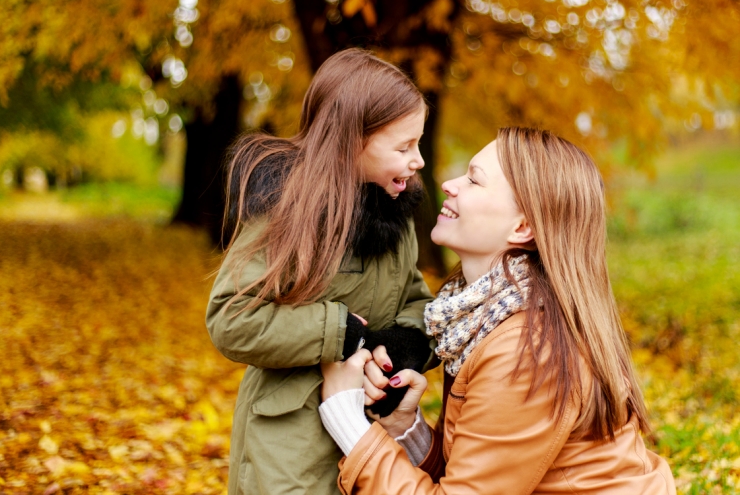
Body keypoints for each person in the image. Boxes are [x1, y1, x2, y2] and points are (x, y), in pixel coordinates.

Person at [319, 127, 676, 494]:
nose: (449, 184)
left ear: (522, 227)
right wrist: (408, 431)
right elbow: (483, 476)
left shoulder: (527, 351)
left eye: (474, 180)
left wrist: (348, 421)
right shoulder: (484, 317)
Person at [207, 48, 438, 495]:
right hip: (288, 452)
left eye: (420, 143)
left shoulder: (396, 217)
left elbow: (414, 299)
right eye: (404, 146)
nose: (419, 161)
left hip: (367, 439)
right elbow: (231, 318)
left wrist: (398, 349)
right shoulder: (285, 213)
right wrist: (340, 333)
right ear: (354, 141)